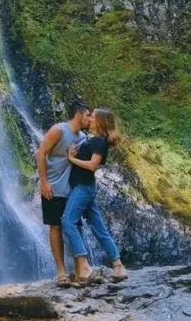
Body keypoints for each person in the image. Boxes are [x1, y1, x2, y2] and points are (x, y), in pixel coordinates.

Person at [62, 108, 128, 285]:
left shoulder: (99, 141)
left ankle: (84, 267)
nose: (90, 118)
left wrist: (71, 158)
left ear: (100, 121)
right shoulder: (96, 140)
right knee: (99, 228)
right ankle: (118, 267)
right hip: (86, 187)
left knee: (67, 222)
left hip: (83, 188)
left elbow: (92, 166)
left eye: (93, 116)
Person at [36, 102, 91, 287]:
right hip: (53, 187)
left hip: (73, 189)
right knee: (55, 226)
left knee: (75, 226)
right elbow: (41, 152)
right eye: (88, 116)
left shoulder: (83, 137)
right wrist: (43, 181)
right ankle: (61, 272)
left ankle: (80, 271)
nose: (90, 119)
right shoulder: (58, 130)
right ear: (78, 115)